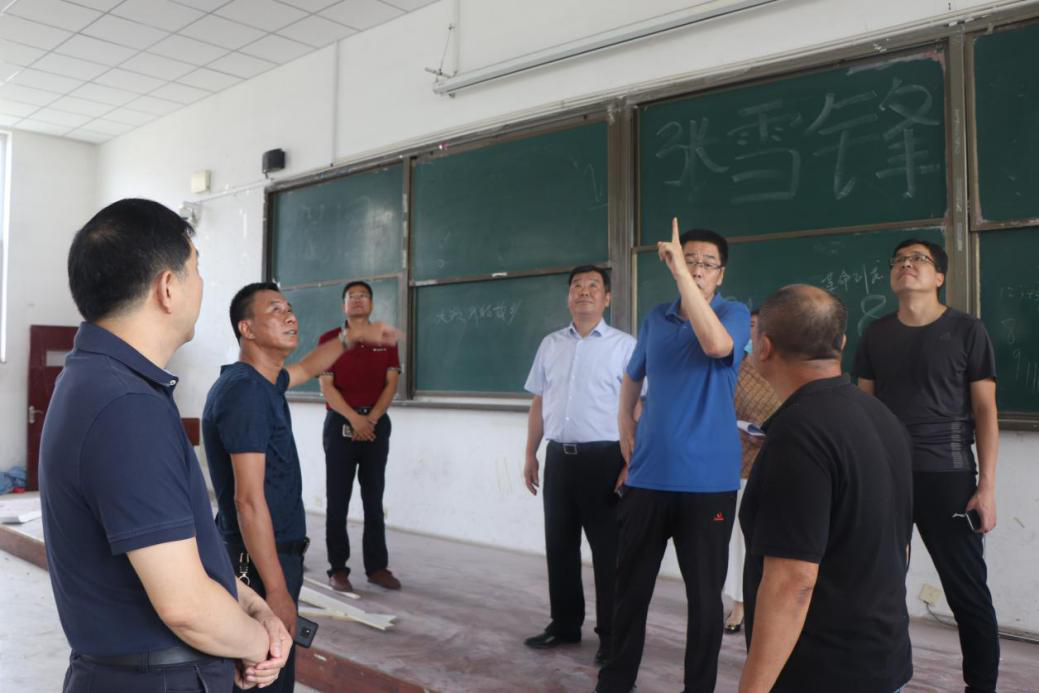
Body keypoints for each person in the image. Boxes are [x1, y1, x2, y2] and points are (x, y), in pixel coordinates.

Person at [40, 199, 289, 692]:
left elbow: (177, 554)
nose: (202, 283)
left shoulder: (100, 381)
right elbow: (186, 605)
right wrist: (259, 643)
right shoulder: (126, 406)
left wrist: (252, 605)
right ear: (168, 287)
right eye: (196, 268)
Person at [203, 282, 399, 693]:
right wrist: (276, 591)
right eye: (275, 310)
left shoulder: (263, 382)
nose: (290, 316)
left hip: (271, 556)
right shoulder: (245, 393)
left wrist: (350, 336)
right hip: (258, 563)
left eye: (290, 308)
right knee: (262, 679)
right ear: (246, 329)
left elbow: (308, 368)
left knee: (270, 676)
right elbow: (248, 501)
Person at [598, 220, 750, 693]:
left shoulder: (733, 313)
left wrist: (682, 274)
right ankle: (615, 681)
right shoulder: (655, 318)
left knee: (704, 598)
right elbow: (633, 374)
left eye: (707, 264)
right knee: (630, 590)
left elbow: (716, 345)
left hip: (709, 483)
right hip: (648, 478)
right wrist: (624, 423)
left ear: (721, 274)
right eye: (691, 261)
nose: (698, 269)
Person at [738, 284, 914, 693]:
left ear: (763, 347)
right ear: (842, 343)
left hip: (823, 673)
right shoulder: (883, 418)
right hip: (883, 658)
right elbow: (900, 548)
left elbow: (793, 582)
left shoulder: (799, 434)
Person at [854, 238, 1000, 693]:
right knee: (878, 587)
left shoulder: (967, 330)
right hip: (887, 477)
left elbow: (985, 410)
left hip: (948, 476)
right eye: (899, 260)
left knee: (967, 592)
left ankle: (982, 686)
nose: (906, 265)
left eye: (918, 259)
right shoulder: (875, 334)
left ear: (939, 277)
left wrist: (987, 487)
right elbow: (863, 410)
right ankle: (884, 681)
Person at [521, 266, 636, 667]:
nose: (584, 292)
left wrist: (632, 462)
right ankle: (565, 624)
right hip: (559, 459)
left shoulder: (625, 346)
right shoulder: (550, 344)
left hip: (606, 459)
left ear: (607, 298)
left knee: (609, 553)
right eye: (577, 286)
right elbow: (539, 402)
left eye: (593, 286)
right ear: (568, 297)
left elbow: (639, 408)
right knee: (560, 546)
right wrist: (530, 453)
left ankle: (612, 636)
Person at [319, 280, 402, 593]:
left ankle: (377, 567)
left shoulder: (385, 339)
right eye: (351, 296)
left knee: (373, 499)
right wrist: (355, 419)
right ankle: (338, 569)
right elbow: (327, 387)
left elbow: (391, 384)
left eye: (363, 296)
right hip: (340, 426)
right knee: (337, 500)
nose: (357, 300)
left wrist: (371, 420)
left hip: (376, 427)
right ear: (343, 305)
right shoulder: (329, 339)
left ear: (372, 303)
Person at [723, 309, 780, 635]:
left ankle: (772, 605)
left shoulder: (784, 368)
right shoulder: (733, 368)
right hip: (739, 463)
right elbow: (718, 409)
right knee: (738, 540)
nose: (754, 333)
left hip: (781, 464)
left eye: (760, 326)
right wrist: (738, 427)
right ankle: (739, 604)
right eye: (751, 326)